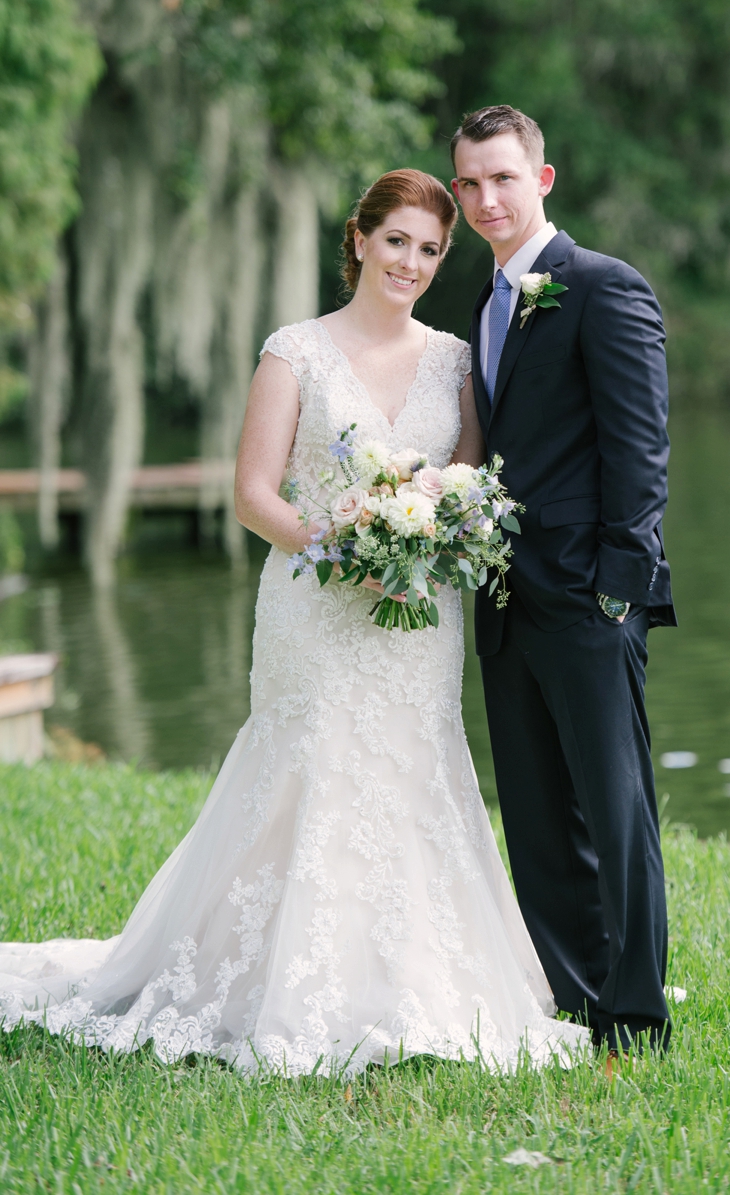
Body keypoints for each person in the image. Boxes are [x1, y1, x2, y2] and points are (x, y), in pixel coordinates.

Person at [0, 168, 588, 1076]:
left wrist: (421, 548)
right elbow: (251, 493)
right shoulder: (295, 352)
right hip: (313, 605)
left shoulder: (452, 359)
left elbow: (467, 483)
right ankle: (264, 981)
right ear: (359, 240)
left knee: (415, 766)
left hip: (418, 612)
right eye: (397, 240)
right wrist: (342, 550)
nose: (414, 262)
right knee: (309, 765)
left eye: (432, 249)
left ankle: (412, 978)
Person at [451, 105, 677, 1059]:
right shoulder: (485, 304)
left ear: (542, 180)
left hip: (588, 599)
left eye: (502, 177)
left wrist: (618, 590)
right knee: (540, 817)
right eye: (468, 184)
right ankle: (577, 1003)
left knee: (615, 810)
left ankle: (638, 1015)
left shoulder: (600, 287)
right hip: (504, 604)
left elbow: (641, 452)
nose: (485, 198)